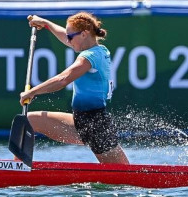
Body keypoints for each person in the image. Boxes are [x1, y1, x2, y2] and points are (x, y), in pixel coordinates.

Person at [19, 12, 130, 164]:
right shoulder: (99, 49)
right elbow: (65, 37)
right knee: (29, 120)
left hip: (96, 126)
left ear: (84, 34)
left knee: (123, 177)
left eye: (71, 36)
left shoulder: (89, 56)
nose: (68, 40)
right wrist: (45, 23)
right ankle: (19, 166)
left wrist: (32, 92)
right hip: (80, 121)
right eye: (68, 36)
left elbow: (63, 79)